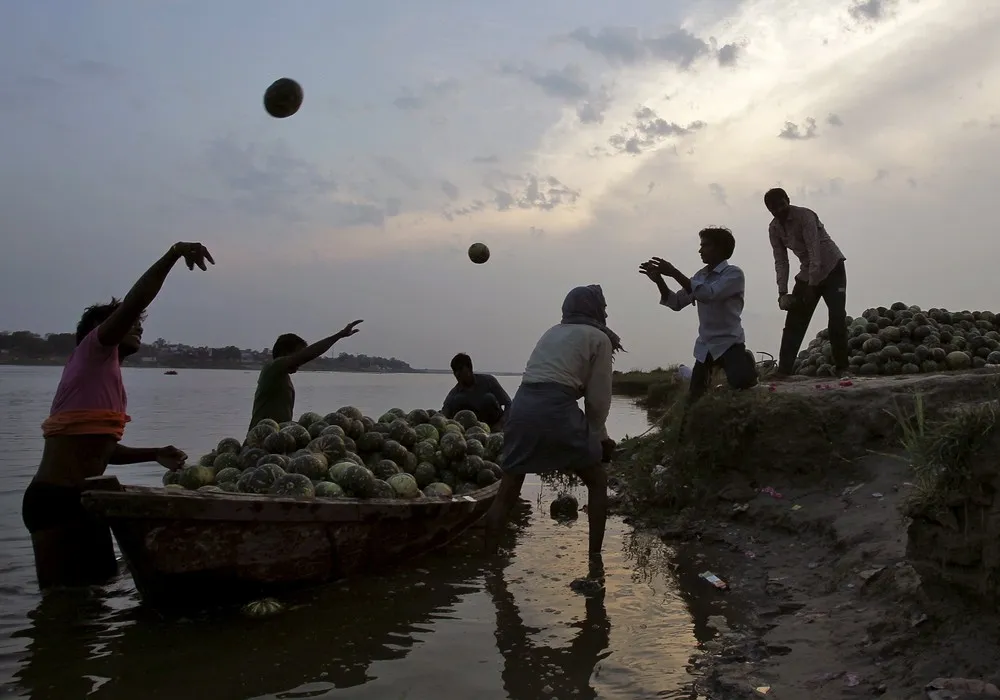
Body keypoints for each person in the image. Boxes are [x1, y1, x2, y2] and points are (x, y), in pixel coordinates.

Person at [22, 242, 214, 591]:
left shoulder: (105, 377)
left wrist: (154, 453)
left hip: (85, 500)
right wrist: (173, 254)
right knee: (61, 611)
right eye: (130, 322)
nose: (138, 327)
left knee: (97, 595)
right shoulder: (94, 350)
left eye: (139, 324)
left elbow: (99, 451)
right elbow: (137, 300)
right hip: (54, 500)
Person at [484, 285, 620, 560]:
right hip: (556, 408)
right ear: (594, 309)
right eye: (603, 307)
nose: (605, 312)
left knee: (508, 488)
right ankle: (595, 561)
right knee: (596, 481)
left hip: (521, 408)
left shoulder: (552, 332)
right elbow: (598, 401)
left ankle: (489, 567)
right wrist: (599, 438)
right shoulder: (599, 339)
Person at [640, 226, 757, 403]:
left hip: (729, 342)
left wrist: (674, 272)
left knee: (741, 385)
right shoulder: (700, 276)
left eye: (705, 245)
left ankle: (746, 364)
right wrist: (659, 281)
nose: (700, 250)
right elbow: (676, 302)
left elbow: (708, 294)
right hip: (706, 345)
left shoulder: (733, 274)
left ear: (719, 248)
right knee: (695, 398)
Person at [764, 187, 849, 378]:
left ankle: (842, 367)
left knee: (836, 318)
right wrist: (782, 292)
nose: (778, 211)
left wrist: (812, 285)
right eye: (773, 208)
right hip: (807, 271)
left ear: (788, 200)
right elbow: (781, 261)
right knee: (794, 320)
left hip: (831, 267)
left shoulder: (805, 216)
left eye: (781, 205)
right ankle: (784, 370)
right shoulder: (774, 228)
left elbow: (814, 251)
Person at [248, 321, 364, 430]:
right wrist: (338, 335)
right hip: (261, 439)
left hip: (276, 437)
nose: (301, 363)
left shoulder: (282, 377)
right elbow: (308, 354)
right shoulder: (272, 369)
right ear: (284, 354)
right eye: (298, 355)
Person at [441, 353, 511, 430]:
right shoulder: (455, 393)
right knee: (459, 400)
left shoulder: (489, 381)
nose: (457, 374)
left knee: (488, 398)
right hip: (472, 431)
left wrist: (501, 423)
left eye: (460, 369)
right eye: (455, 371)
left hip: (495, 425)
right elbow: (444, 412)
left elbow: (508, 404)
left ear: (469, 369)